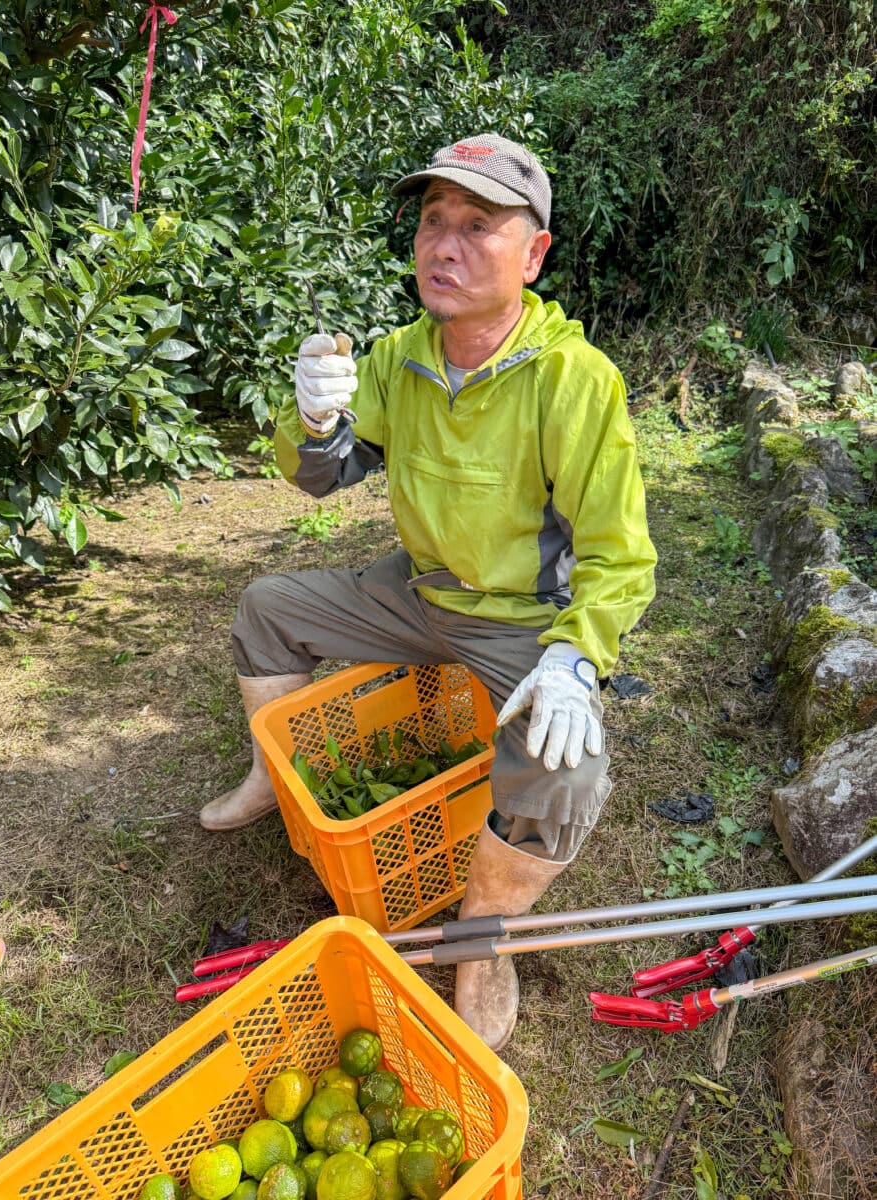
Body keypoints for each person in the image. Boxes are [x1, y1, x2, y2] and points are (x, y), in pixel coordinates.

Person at [199, 134, 657, 1050]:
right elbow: (322, 478)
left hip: (525, 622)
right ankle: (269, 779)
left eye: (477, 226)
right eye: (431, 222)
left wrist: (577, 655)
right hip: (419, 593)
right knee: (269, 608)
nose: (442, 246)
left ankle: (480, 943)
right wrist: (312, 419)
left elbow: (619, 552)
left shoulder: (573, 379)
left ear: (533, 255)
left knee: (565, 774)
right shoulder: (400, 358)